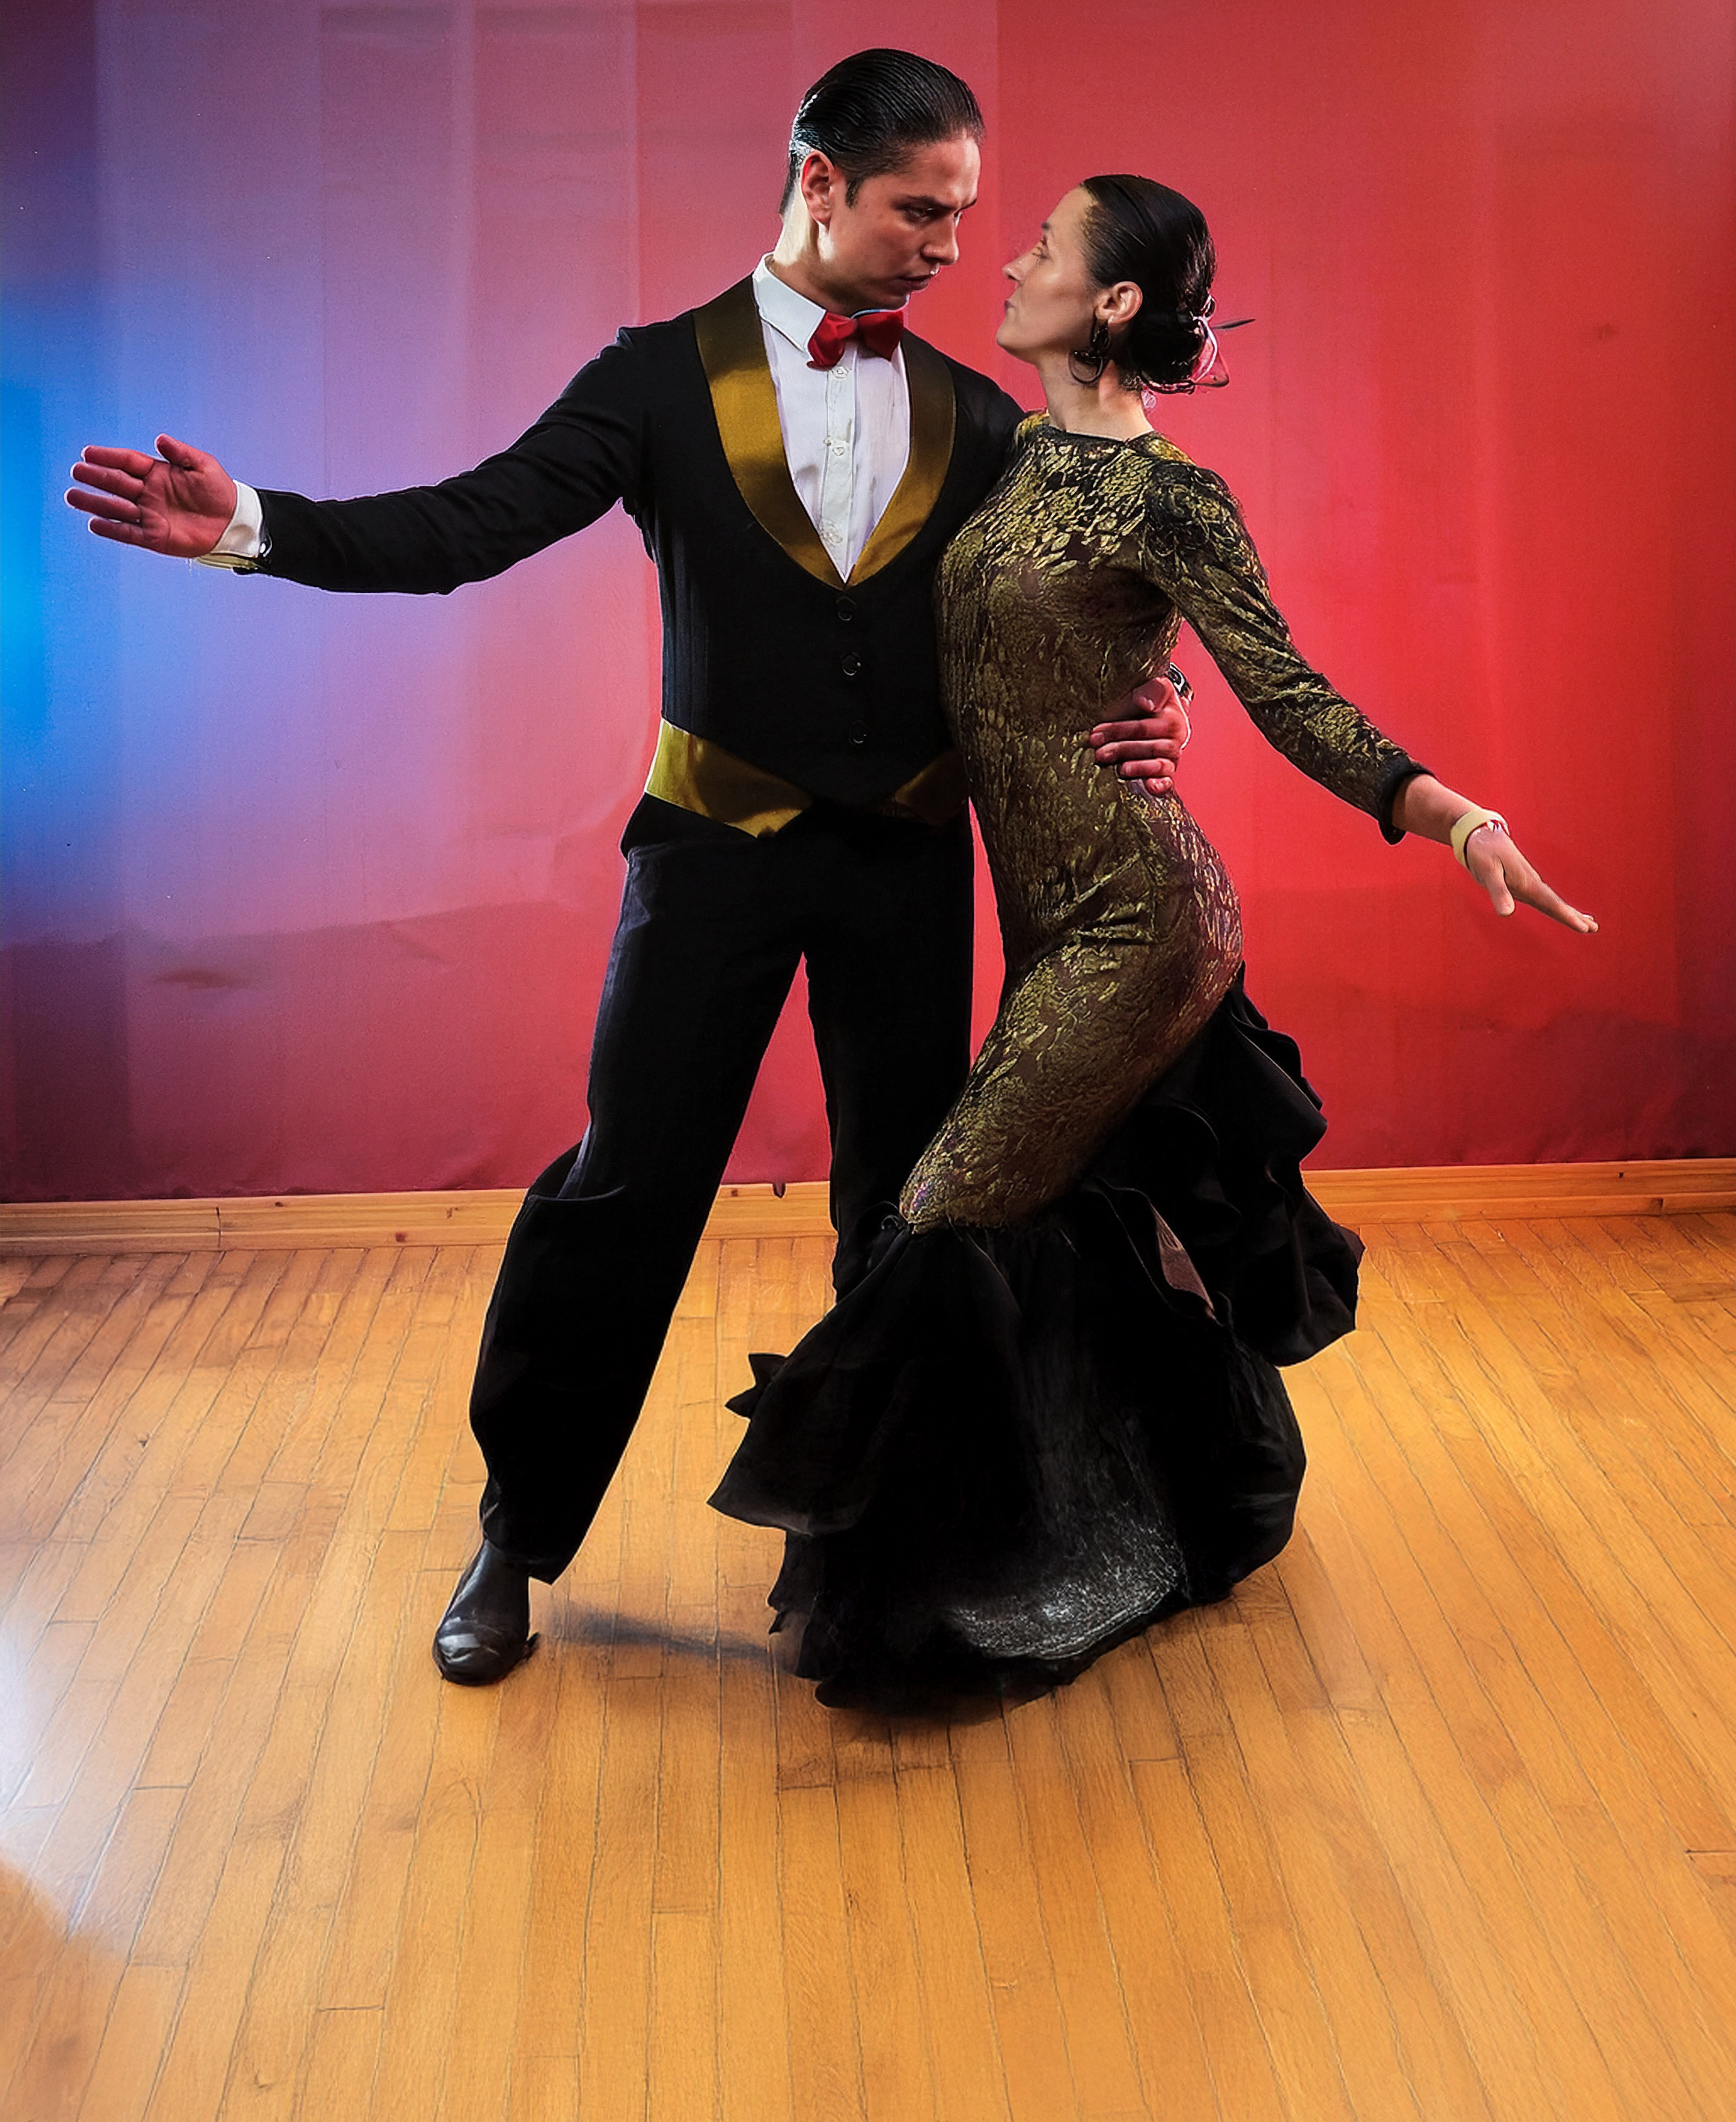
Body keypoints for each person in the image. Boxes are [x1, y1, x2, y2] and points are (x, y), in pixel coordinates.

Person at [64, 53, 1189, 1684]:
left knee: (903, 1204)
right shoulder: (656, 378)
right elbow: (471, 525)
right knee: (620, 1196)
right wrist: (254, 524)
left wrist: (1156, 703)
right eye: (920, 210)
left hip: (904, 861)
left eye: (965, 214)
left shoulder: (976, 412)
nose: (954, 245)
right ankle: (518, 1533)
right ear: (819, 181)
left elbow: (1081, 593)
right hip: (711, 853)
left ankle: (871, 1543)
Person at [708, 174, 1597, 1709]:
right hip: (1049, 920)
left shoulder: (1172, 497)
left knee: (945, 1207)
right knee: (1056, 1213)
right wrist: (1147, 688)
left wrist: (1450, 814)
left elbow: (1290, 691)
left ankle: (960, 1591)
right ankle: (1154, 1508)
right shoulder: (1006, 448)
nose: (1010, 258)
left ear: (1113, 302)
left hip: (1140, 922)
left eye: (1045, 246)